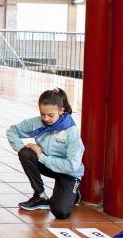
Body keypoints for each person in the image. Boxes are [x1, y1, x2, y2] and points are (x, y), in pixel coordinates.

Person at [7, 88, 84, 219]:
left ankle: (73, 194)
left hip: (68, 172)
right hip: (48, 164)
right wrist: (21, 147)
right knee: (26, 153)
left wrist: (42, 157)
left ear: (61, 111)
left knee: (61, 212)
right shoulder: (37, 122)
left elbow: (72, 165)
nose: (46, 118)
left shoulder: (71, 131)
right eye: (43, 114)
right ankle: (40, 196)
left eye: (50, 115)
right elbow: (12, 131)